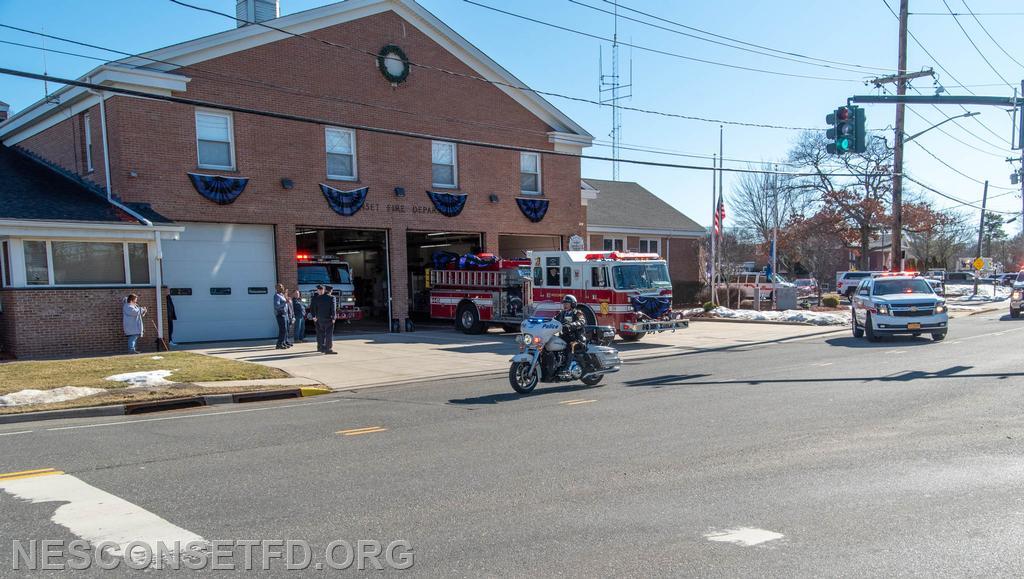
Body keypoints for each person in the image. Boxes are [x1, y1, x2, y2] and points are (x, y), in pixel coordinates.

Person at [553, 294, 586, 374]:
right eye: (564, 303)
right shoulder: (561, 313)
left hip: (576, 338)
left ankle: (566, 368)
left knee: (571, 345)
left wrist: (571, 325)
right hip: (564, 337)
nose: (565, 305)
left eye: (567, 303)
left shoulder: (577, 313)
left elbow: (581, 321)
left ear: (573, 304)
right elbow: (554, 320)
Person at [309, 284, 338, 355]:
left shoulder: (317, 297)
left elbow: (313, 308)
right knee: (328, 334)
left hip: (319, 319)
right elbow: (333, 309)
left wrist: (314, 316)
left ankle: (321, 347)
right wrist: (334, 317)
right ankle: (328, 349)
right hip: (328, 318)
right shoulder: (332, 297)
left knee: (320, 334)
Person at [273, 283, 292, 350]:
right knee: (283, 330)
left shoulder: (282, 295)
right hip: (280, 314)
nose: (282, 288)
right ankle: (279, 344)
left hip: (285, 314)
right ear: (276, 288)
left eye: (282, 287)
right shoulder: (276, 296)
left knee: (286, 330)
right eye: (280, 287)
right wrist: (285, 302)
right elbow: (277, 306)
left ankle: (283, 342)